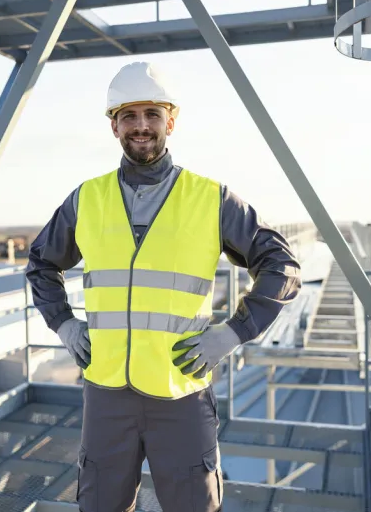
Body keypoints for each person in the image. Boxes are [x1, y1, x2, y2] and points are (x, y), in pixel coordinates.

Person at [26, 61, 301, 512]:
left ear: (170, 121)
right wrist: (64, 325)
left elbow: (281, 264)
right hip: (106, 394)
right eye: (129, 116)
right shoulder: (86, 200)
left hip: (181, 391)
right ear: (113, 125)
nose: (141, 126)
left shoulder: (210, 198)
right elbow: (41, 264)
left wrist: (233, 332)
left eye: (152, 114)